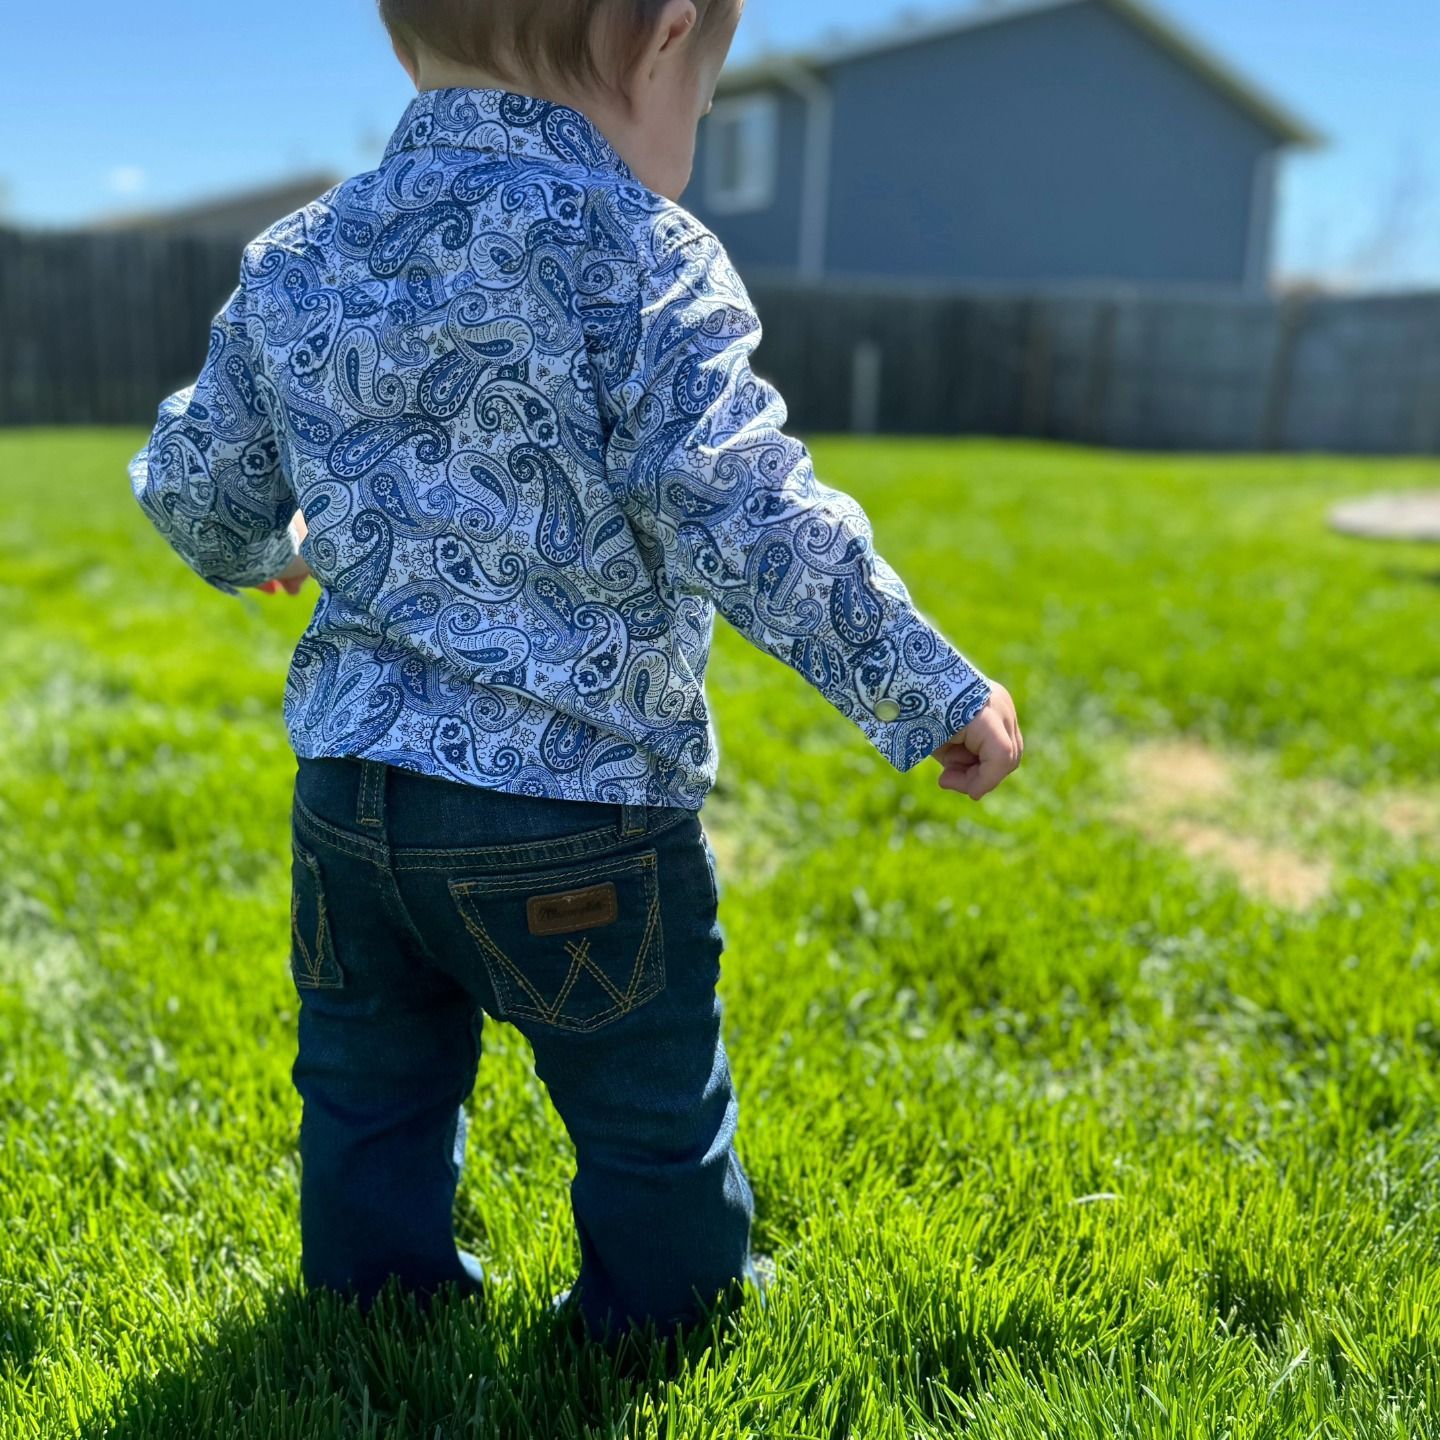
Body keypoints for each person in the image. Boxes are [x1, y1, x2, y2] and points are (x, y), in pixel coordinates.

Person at [127, 0, 1024, 1344]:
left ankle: (376, 1314)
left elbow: (201, 488)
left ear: (403, 43)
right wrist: (922, 685)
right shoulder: (636, 247)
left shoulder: (301, 253)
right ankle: (663, 1318)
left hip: (352, 806)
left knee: (368, 1085)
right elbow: (744, 508)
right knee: (645, 1103)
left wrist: (275, 543)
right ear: (665, 39)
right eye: (705, 104)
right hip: (576, 805)